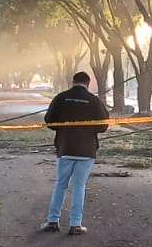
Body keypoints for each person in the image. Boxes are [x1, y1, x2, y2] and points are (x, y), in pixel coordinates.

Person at [41, 71, 111, 235]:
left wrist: (64, 129)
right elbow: (103, 126)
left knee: (61, 184)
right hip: (86, 150)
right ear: (87, 84)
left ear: (73, 82)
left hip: (65, 147)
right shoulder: (94, 101)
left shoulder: (60, 97)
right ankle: (75, 225)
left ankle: (53, 221)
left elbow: (49, 121)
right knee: (79, 186)